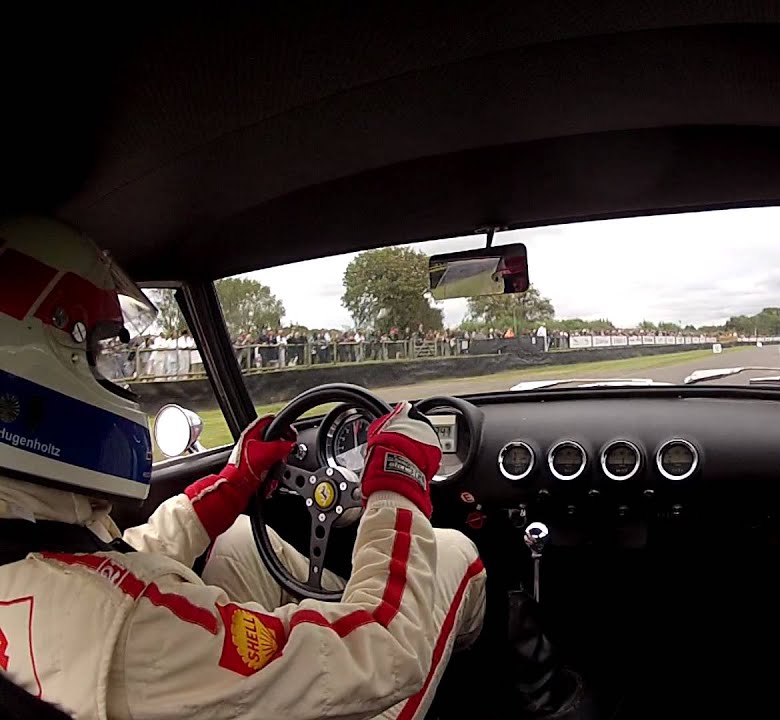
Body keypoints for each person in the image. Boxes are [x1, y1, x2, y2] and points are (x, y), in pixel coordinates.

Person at [0, 217, 486, 719]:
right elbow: (386, 647)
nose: (120, 376)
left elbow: (111, 562)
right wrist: (398, 484)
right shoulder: (128, 630)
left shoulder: (29, 564)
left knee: (235, 538)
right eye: (102, 354)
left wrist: (227, 489)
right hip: (378, 664)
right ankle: (531, 689)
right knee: (452, 549)